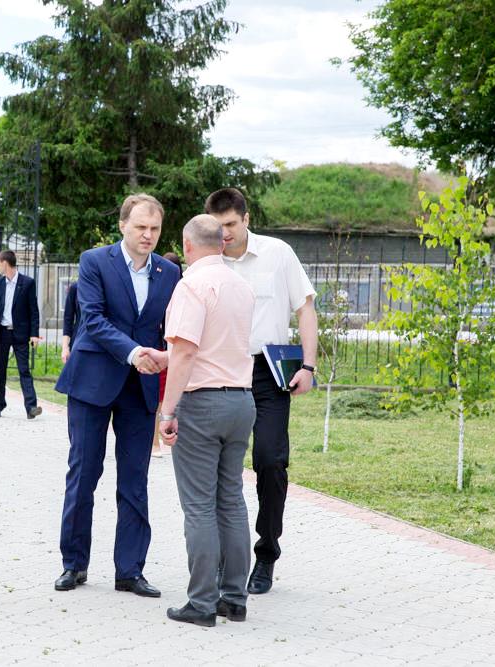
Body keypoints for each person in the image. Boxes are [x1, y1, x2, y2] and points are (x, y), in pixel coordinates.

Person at [54, 193, 181, 597]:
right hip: (93, 380)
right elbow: (92, 318)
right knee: (84, 473)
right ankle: (74, 564)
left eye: (155, 228)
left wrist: (164, 359)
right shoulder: (95, 261)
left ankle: (130, 570)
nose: (148, 234)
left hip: (141, 387)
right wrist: (133, 352)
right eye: (140, 226)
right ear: (123, 225)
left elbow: (170, 327)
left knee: (135, 479)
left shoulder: (169, 272)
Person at [206, 187, 318, 595]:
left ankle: (266, 553)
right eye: (217, 226)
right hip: (222, 371)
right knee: (221, 468)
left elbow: (305, 308)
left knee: (270, 462)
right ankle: (224, 558)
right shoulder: (208, 260)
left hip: (268, 373)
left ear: (246, 219)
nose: (224, 234)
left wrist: (308, 365)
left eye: (231, 225)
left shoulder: (278, 254)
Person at [157, 215, 256, 627]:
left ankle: (201, 602)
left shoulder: (192, 285)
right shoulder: (241, 286)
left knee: (199, 505)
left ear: (186, 244)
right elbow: (219, 344)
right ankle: (235, 597)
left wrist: (168, 411)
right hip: (241, 400)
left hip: (202, 404)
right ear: (222, 243)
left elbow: (185, 352)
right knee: (231, 499)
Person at [0, 249, 43, 419]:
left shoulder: (27, 283)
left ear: (5, 263)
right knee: (0, 371)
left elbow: (33, 311)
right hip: (1, 332)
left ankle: (31, 407)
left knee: (24, 370)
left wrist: (34, 334)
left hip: (20, 333)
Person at [152, 251, 183, 458]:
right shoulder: (159, 291)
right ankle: (156, 442)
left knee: (164, 398)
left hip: (171, 349)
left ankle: (159, 441)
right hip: (164, 349)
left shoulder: (183, 292)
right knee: (161, 397)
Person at [60, 280, 79, 364]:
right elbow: (68, 319)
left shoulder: (105, 286)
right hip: (78, 340)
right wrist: (65, 348)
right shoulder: (75, 287)